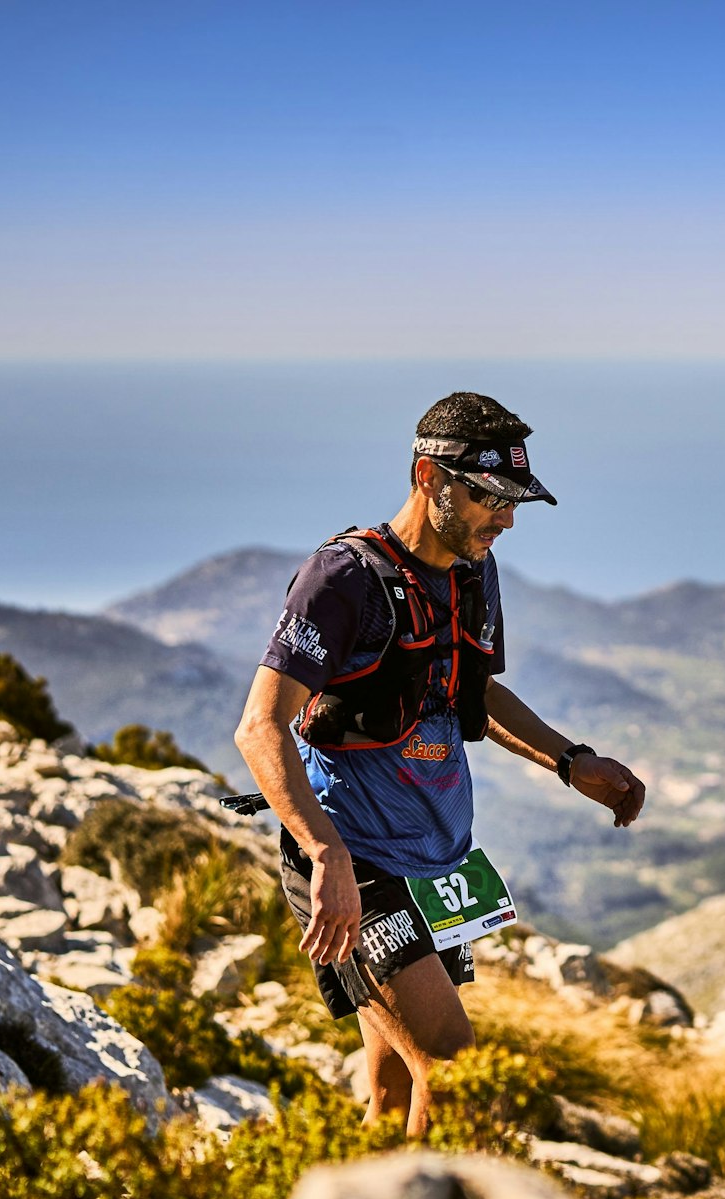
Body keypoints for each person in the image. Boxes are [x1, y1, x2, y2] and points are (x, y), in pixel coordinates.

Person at [234, 391, 644, 1136]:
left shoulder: (469, 571)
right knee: (456, 1071)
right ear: (430, 479)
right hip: (350, 858)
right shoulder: (344, 579)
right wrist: (324, 851)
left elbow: (473, 694)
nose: (507, 519)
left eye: (515, 503)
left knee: (395, 1094)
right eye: (491, 498)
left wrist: (570, 760)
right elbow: (259, 727)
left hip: (432, 861)